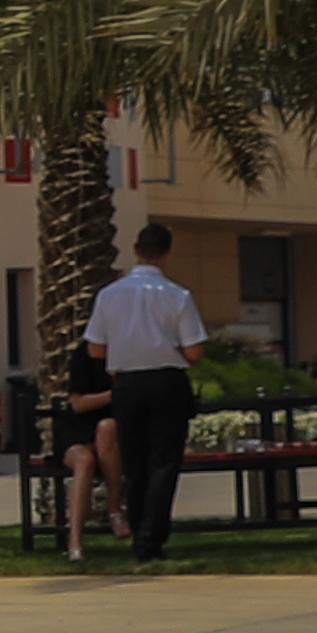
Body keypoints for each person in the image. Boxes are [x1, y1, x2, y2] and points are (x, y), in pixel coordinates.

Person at [85, 221, 207, 562]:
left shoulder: (109, 295)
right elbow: (195, 351)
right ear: (168, 254)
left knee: (135, 462)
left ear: (136, 250)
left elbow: (95, 348)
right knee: (163, 462)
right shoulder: (177, 295)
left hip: (127, 383)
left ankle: (140, 531)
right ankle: (152, 538)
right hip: (167, 381)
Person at [55, 340, 121, 562]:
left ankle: (115, 508)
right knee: (84, 462)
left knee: (107, 428)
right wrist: (115, 394)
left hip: (113, 430)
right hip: (77, 427)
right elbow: (78, 403)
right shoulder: (85, 353)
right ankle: (75, 542)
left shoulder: (131, 350)